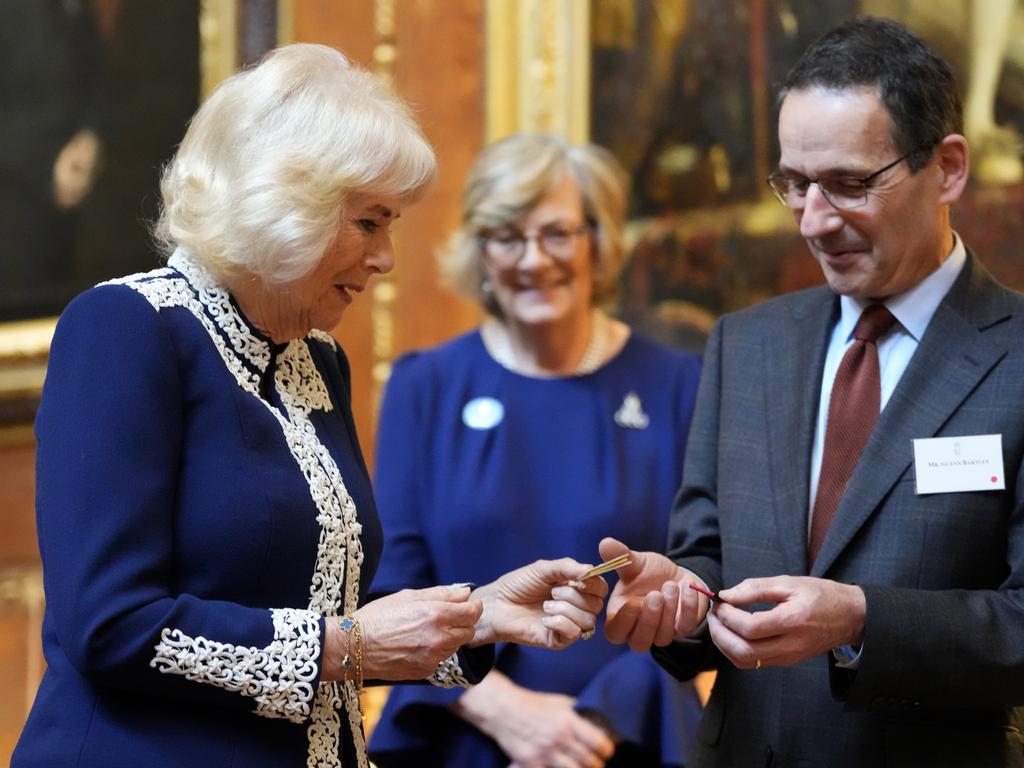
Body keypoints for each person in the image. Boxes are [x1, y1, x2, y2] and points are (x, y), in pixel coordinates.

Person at [11, 45, 607, 768]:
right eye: (369, 223)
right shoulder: (129, 327)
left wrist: (476, 621)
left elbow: (324, 631)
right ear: (287, 205)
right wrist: (348, 644)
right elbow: (109, 625)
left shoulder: (316, 359)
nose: (387, 257)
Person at [600, 16, 1024, 768]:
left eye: (851, 184)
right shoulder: (747, 344)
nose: (814, 221)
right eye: (794, 184)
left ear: (949, 168)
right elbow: (708, 557)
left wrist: (861, 619)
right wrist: (677, 599)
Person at [367, 133, 704, 768]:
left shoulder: (679, 384)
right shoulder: (425, 386)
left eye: (556, 234)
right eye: (506, 237)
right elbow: (391, 591)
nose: (532, 260)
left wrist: (594, 725)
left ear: (597, 240)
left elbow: (697, 573)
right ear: (480, 252)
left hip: (630, 736)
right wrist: (507, 712)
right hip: (464, 733)